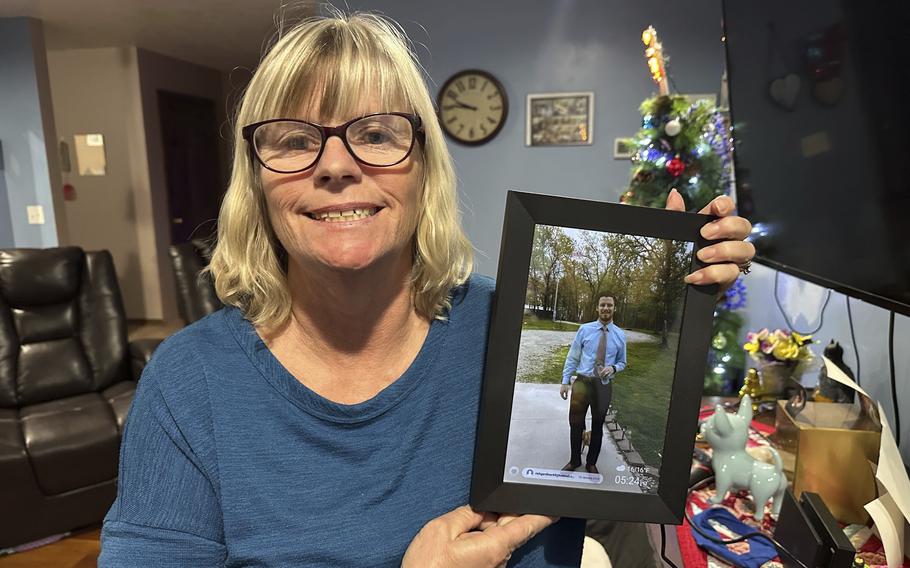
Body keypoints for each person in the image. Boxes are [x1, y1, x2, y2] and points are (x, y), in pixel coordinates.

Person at [98, 11, 755, 568]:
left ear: (423, 169)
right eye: (295, 140)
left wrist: (687, 290)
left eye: (376, 133)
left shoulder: (510, 328)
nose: (335, 165)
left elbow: (621, 481)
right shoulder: (188, 387)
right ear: (258, 182)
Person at [559, 294, 626, 475]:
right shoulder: (585, 330)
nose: (606, 308)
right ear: (597, 308)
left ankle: (591, 463)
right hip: (582, 383)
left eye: (609, 305)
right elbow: (573, 357)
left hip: (603, 386)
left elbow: (623, 362)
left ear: (614, 308)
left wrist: (613, 368)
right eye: (603, 305)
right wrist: (565, 381)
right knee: (575, 423)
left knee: (598, 424)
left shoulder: (620, 335)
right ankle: (574, 460)